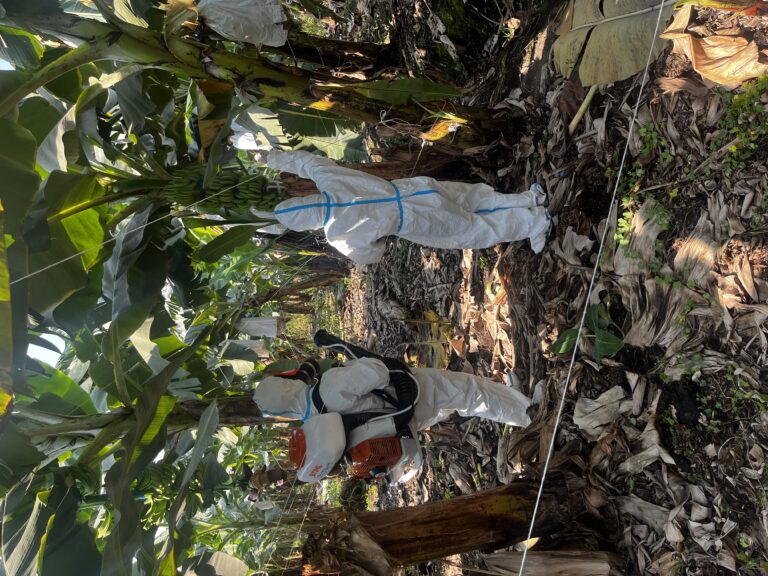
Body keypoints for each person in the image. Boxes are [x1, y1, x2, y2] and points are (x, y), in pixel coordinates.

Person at [261, 150, 552, 266]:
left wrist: (380, 240)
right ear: (306, 200)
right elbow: (306, 162)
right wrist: (272, 158)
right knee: (475, 199)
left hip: (412, 220)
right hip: (413, 189)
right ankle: (528, 199)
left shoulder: (337, 235)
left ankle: (533, 223)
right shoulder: (329, 180)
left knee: (473, 230)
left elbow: (372, 255)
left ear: (308, 225)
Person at [251, 331, 531, 431]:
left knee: (461, 404)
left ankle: (514, 403)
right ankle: (527, 412)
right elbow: (377, 372)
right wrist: (350, 361)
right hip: (412, 393)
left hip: (405, 418)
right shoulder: (328, 387)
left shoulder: (313, 423)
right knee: (471, 392)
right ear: (286, 384)